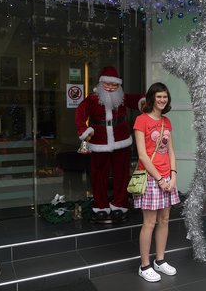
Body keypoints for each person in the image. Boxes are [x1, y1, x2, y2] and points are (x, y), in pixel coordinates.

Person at [75, 66, 145, 224]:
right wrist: (84, 130)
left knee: (121, 174)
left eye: (114, 85)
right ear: (101, 83)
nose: (111, 87)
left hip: (121, 140)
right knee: (99, 175)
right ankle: (100, 206)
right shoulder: (92, 99)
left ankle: (120, 204)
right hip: (99, 141)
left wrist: (143, 102)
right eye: (107, 84)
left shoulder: (122, 97)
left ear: (119, 86)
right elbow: (80, 113)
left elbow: (137, 100)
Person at [132, 82, 180, 282]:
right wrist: (160, 178)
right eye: (159, 96)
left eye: (165, 97)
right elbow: (142, 155)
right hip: (151, 177)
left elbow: (170, 151)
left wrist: (174, 175)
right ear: (152, 98)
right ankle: (144, 266)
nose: (162, 100)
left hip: (167, 177)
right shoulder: (141, 120)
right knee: (149, 222)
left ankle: (160, 261)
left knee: (165, 220)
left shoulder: (167, 122)